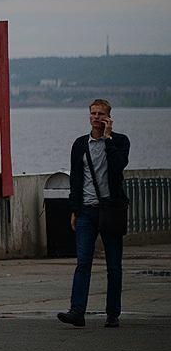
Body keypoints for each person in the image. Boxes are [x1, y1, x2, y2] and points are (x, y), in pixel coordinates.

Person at [58, 99, 130, 328]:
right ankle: (77, 311)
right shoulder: (80, 144)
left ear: (109, 117)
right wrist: (74, 210)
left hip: (111, 211)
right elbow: (76, 179)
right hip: (86, 211)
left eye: (101, 114)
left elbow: (118, 166)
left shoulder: (120, 141)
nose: (96, 117)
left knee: (114, 265)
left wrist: (108, 139)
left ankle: (113, 314)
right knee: (83, 263)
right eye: (93, 113)